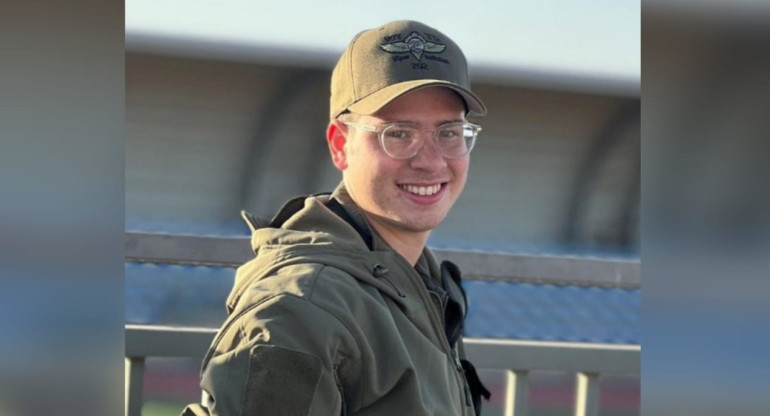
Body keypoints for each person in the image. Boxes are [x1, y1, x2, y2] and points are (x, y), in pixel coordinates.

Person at [183, 19, 490, 416]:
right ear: (340, 145)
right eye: (397, 134)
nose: (431, 161)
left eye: (449, 132)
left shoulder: (414, 283)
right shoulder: (299, 309)